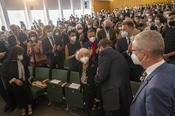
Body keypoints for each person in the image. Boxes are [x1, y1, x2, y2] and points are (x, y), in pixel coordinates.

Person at [130, 30, 175, 116]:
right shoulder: (171, 68)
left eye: (133, 50)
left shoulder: (155, 88)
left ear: (144, 55)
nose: (132, 54)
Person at [94, 39, 132, 116]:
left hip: (113, 96)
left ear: (101, 47)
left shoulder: (104, 53)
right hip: (124, 94)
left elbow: (101, 76)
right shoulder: (118, 54)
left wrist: (95, 80)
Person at [2, 46, 33, 116]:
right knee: (19, 96)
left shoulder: (21, 60)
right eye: (20, 54)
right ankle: (23, 108)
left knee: (28, 93)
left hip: (25, 80)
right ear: (14, 54)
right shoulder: (7, 62)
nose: (21, 56)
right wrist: (15, 80)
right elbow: (5, 74)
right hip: (14, 82)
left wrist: (29, 77)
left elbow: (26, 70)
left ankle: (29, 107)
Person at [76, 48, 101, 116]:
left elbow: (99, 82)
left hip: (93, 90)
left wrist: (98, 96)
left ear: (89, 55)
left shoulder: (94, 65)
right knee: (86, 107)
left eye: (86, 55)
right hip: (85, 89)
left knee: (92, 110)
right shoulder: (80, 65)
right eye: (81, 56)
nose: (84, 57)